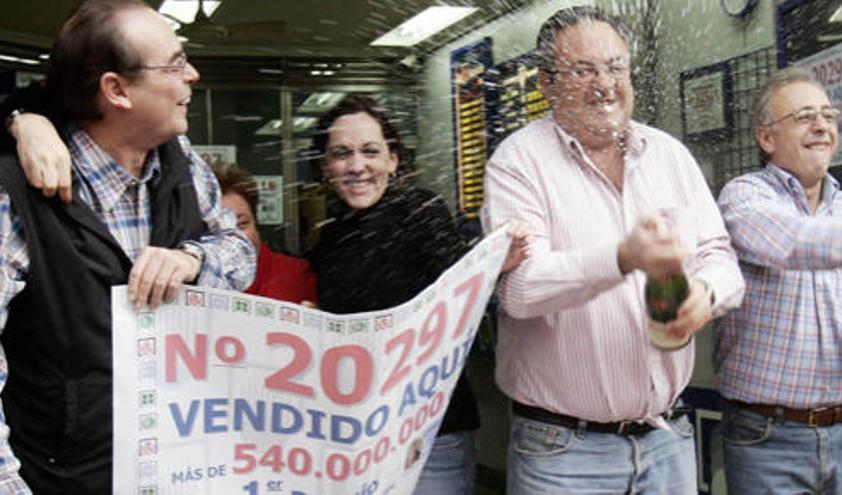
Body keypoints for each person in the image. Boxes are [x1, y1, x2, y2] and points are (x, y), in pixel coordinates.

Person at [480, 7, 744, 494]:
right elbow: (520, 291)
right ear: (546, 83)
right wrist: (622, 258)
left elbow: (719, 255)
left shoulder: (670, 155)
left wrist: (705, 294)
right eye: (584, 70)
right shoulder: (517, 163)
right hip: (563, 453)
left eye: (616, 67)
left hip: (667, 441)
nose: (604, 83)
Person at [0, 0, 255, 491]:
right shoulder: (18, 192)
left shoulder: (184, 167)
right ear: (116, 90)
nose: (193, 76)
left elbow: (241, 254)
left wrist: (192, 260)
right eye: (176, 64)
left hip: (180, 466)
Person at [307, 95, 528, 495]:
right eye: (341, 154)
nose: (357, 166)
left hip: (430, 434)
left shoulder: (420, 210)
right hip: (357, 438)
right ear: (325, 167)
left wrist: (495, 264)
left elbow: (462, 289)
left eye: (370, 151)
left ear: (393, 160)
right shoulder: (327, 241)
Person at [716, 66, 842, 494]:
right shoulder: (744, 196)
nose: (822, 126)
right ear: (766, 138)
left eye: (828, 115)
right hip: (767, 439)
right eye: (805, 116)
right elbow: (793, 244)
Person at [213, 163, 317, 304]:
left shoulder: (295, 274)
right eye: (219, 229)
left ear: (256, 222)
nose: (235, 238)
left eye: (242, 224)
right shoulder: (188, 278)